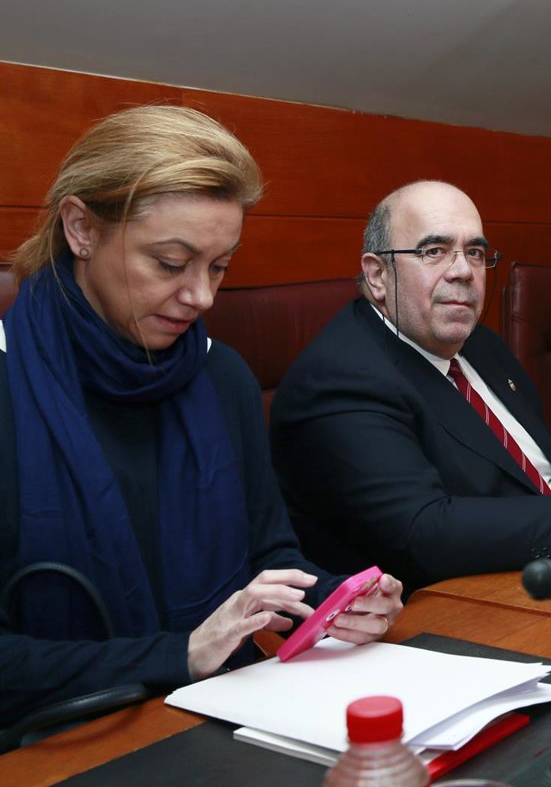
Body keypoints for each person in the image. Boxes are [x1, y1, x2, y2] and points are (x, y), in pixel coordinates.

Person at [0, 106, 404, 727]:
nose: (201, 296)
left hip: (228, 712)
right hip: (59, 744)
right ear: (81, 229)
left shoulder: (220, 375)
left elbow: (269, 555)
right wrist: (181, 654)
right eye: (170, 263)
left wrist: (336, 601)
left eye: (218, 267)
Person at [269, 181, 551, 593]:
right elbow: (425, 532)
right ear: (378, 275)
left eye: (476, 252)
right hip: (465, 605)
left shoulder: (481, 346)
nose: (463, 271)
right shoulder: (342, 376)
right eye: (434, 251)